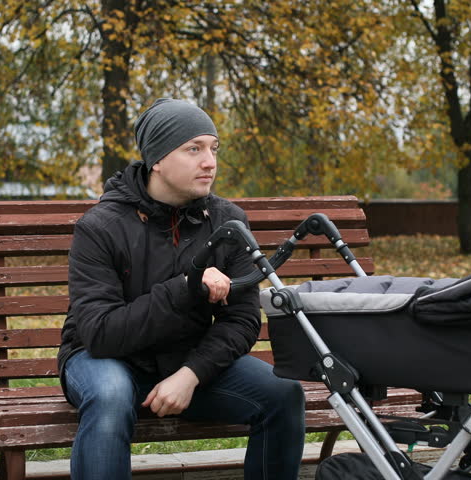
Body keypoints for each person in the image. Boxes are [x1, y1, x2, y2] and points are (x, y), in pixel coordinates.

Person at [57, 98, 306, 479]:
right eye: (194, 149)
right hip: (101, 360)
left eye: (213, 148)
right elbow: (100, 333)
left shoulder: (228, 221)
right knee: (110, 395)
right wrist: (187, 288)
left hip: (184, 361)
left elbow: (240, 322)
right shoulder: (100, 227)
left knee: (283, 395)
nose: (210, 161)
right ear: (157, 159)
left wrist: (190, 374)